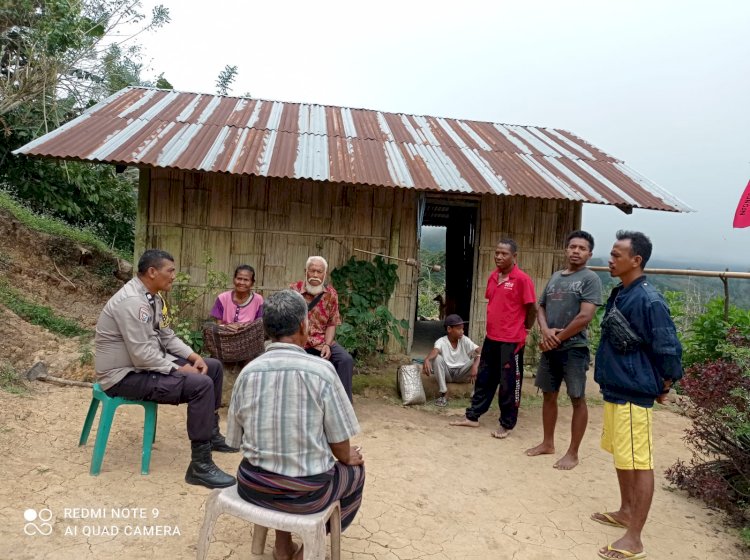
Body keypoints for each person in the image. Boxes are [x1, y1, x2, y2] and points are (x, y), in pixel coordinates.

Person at [226, 290, 365, 560]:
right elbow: (340, 446)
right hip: (307, 494)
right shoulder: (322, 372)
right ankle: (304, 553)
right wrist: (349, 456)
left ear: (266, 329)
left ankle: (282, 544)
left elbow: (234, 440)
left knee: (276, 463)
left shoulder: (248, 373)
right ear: (304, 325)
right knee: (356, 471)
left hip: (253, 487)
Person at [95, 249, 236, 489]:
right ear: (152, 272)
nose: (174, 276)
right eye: (170, 270)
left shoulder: (154, 298)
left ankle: (210, 435)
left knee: (211, 367)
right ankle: (200, 466)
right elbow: (141, 356)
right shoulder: (132, 302)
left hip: (144, 365)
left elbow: (167, 336)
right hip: (124, 375)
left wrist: (193, 357)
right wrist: (178, 370)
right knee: (200, 385)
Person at [592, 231, 683, 560]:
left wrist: (667, 383)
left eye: (617, 255)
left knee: (639, 462)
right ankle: (626, 512)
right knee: (622, 455)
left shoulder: (649, 300)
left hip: (633, 393)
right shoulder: (622, 292)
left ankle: (635, 539)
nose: (610, 259)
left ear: (636, 260)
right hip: (617, 388)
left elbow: (668, 347)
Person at [525, 230, 602, 470]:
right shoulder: (556, 276)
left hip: (575, 349)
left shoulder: (590, 279)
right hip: (551, 347)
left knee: (577, 398)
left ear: (589, 253)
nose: (576, 251)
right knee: (549, 395)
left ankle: (573, 452)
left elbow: (585, 316)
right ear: (566, 250)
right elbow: (541, 306)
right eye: (572, 247)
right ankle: (548, 443)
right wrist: (547, 331)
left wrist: (557, 337)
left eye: (581, 248)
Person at [450, 239, 537, 439]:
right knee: (484, 378)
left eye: (504, 253)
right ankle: (473, 416)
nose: (498, 256)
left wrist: (526, 328)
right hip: (492, 337)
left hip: (512, 340)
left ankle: (506, 424)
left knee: (509, 383)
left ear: (514, 257)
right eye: (496, 252)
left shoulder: (522, 279)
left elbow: (532, 307)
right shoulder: (493, 277)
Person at [290, 256, 354, 402]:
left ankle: (344, 404)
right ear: (306, 271)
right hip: (298, 341)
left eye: (319, 272)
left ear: (324, 274)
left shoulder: (331, 294)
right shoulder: (293, 291)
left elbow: (332, 322)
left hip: (321, 342)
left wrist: (327, 344)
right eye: (312, 271)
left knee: (345, 360)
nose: (315, 275)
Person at [422, 314, 481, 407]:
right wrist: (427, 359)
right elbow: (435, 351)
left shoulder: (464, 340)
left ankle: (475, 396)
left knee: (482, 360)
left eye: (463, 329)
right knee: (437, 358)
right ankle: (444, 393)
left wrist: (475, 365)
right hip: (447, 374)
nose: (462, 331)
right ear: (449, 329)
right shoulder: (441, 341)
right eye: (459, 329)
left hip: (462, 373)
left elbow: (479, 350)